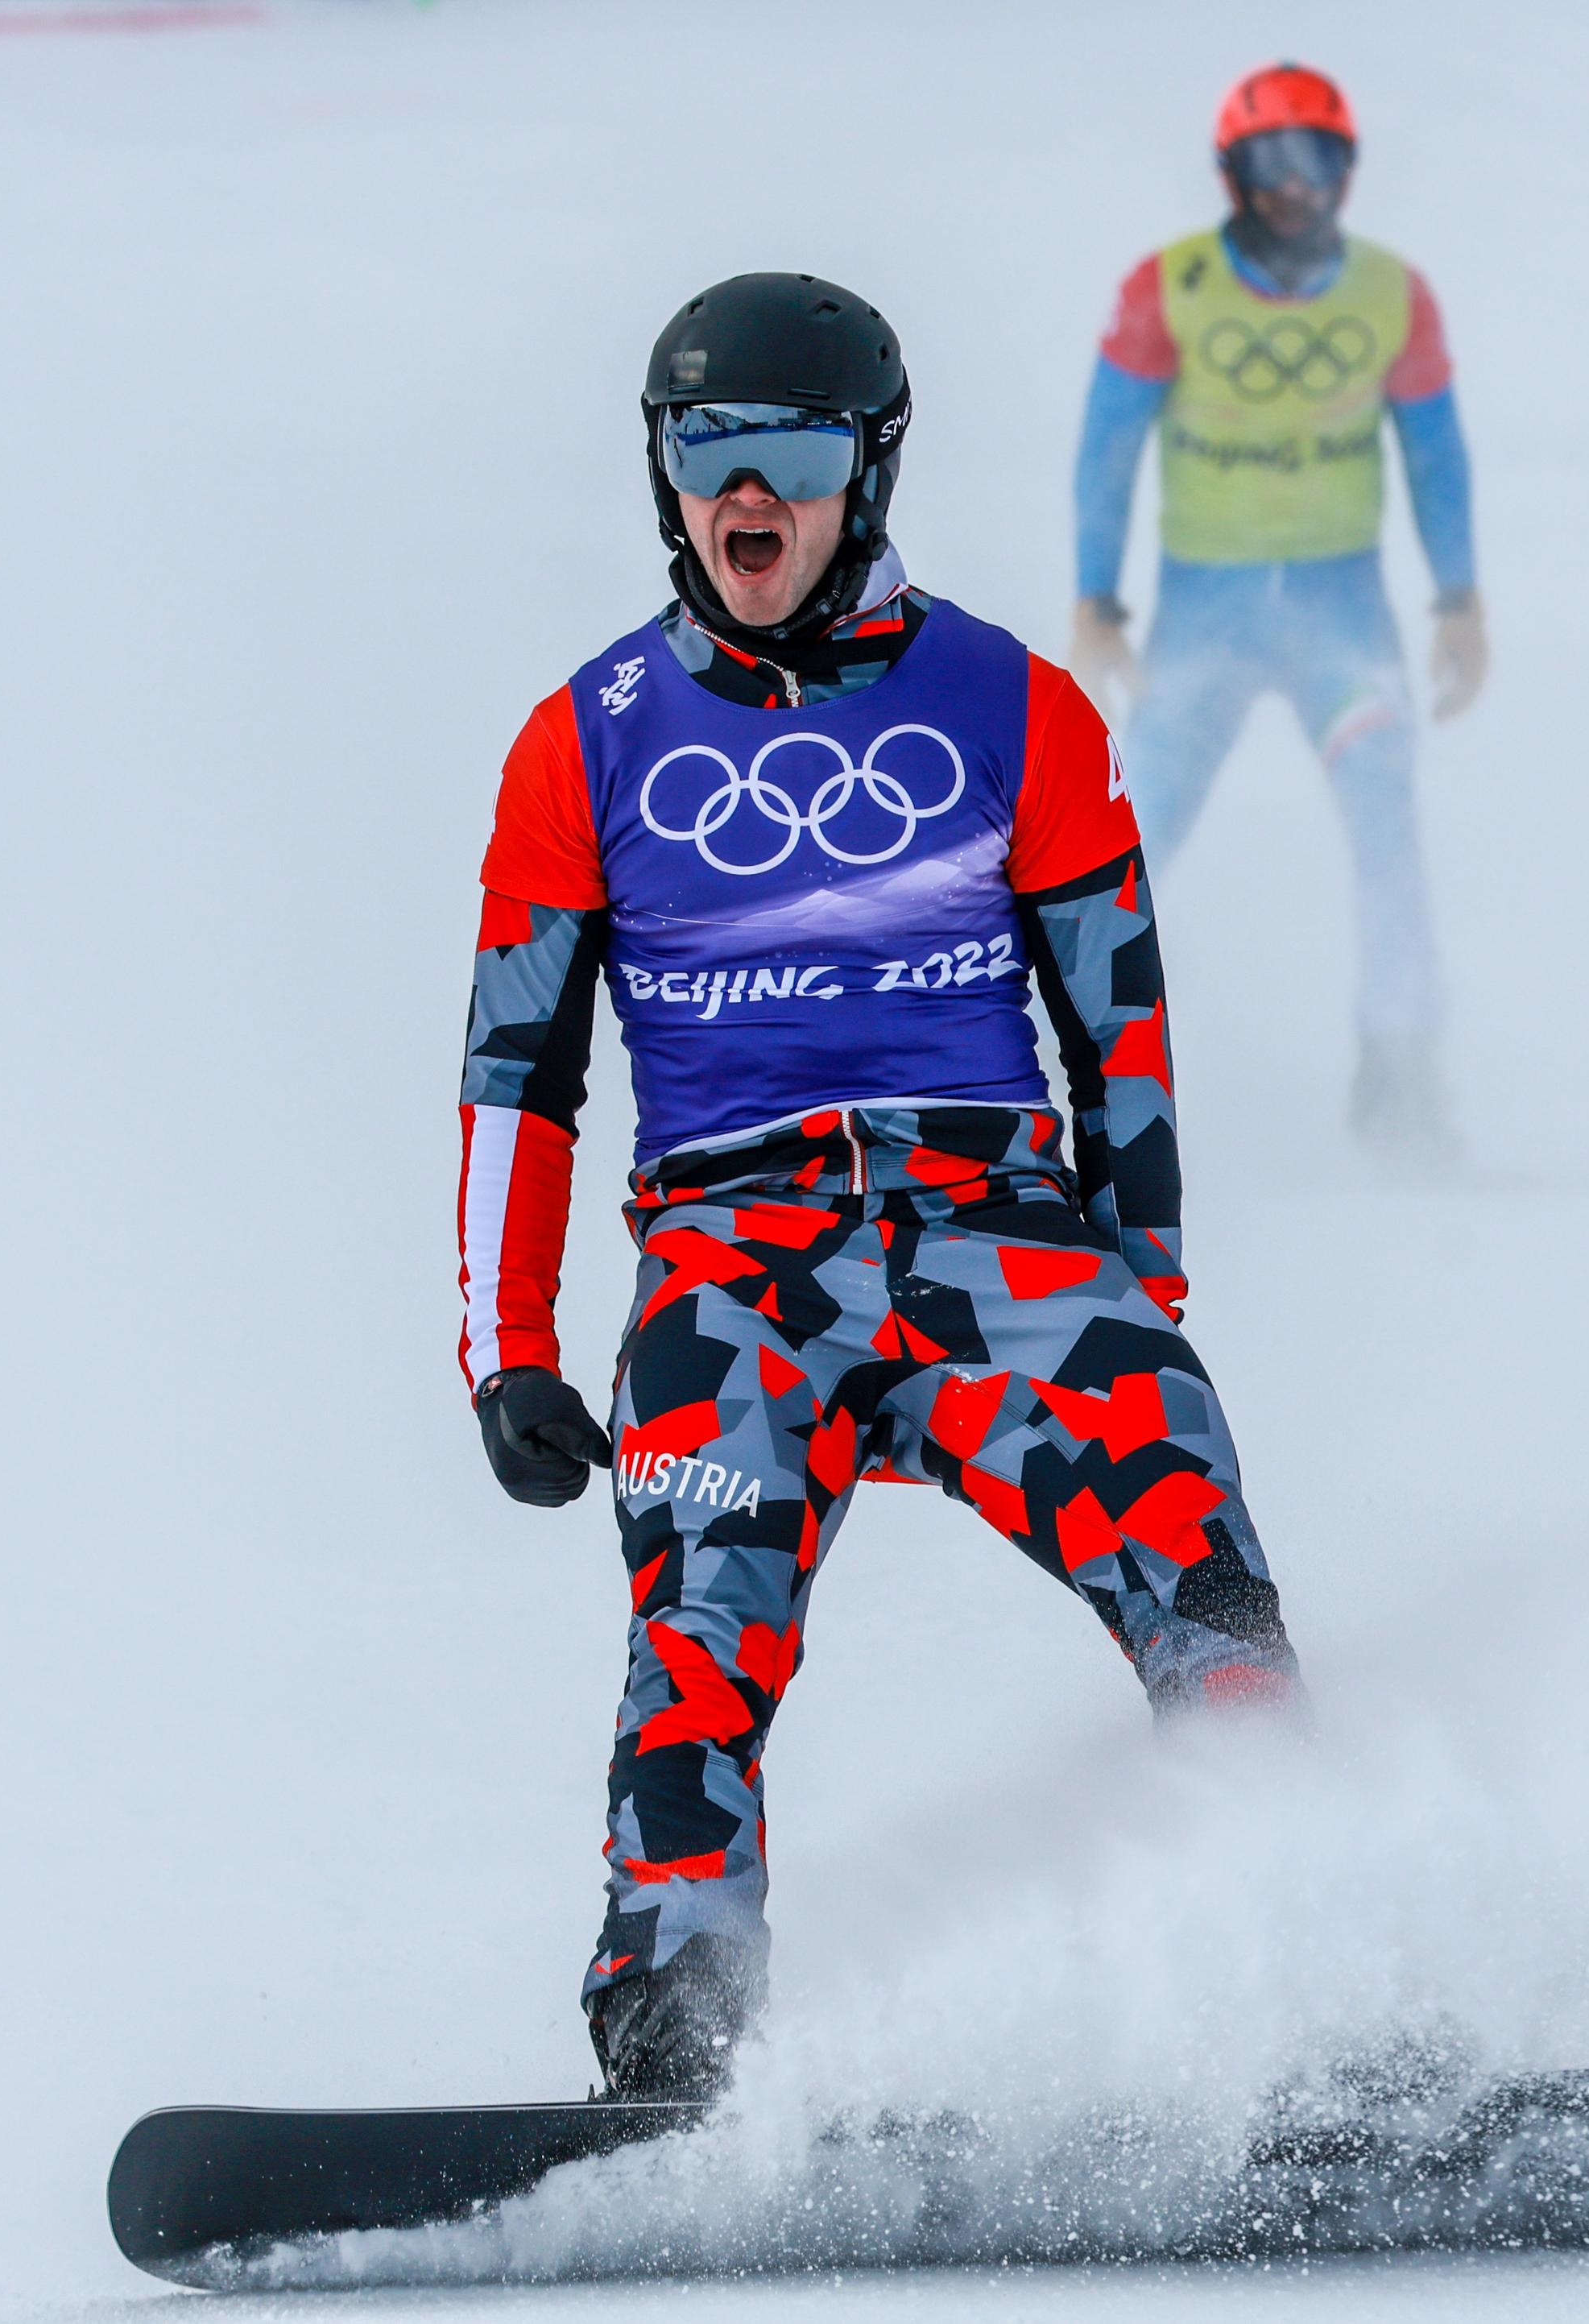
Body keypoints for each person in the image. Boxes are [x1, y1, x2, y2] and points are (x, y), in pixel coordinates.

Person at [456, 274, 1306, 2102]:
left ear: (871, 471)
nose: (742, 496)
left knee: (1195, 1553)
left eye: (791, 452)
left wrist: (1138, 1277)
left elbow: (1118, 1016)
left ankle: (1310, 1967)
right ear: (663, 473)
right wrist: (505, 1346)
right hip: (731, 1257)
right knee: (698, 1616)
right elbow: (517, 1070)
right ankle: (677, 2043)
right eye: (704, 450)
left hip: (993, 1231)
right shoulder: (582, 738)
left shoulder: (1011, 703)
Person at [1071, 61, 1485, 1161]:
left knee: (1384, 818)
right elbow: (1106, 450)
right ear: (1232, 172)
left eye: (1317, 164)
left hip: (1340, 620)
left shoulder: (1391, 294)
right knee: (1132, 838)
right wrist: (1094, 599)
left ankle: (1399, 1069)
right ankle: (1073, 1076)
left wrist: (1459, 598)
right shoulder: (1168, 288)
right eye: (1271, 165)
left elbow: (1434, 452)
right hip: (1202, 622)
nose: (1295, 189)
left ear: (1346, 172)